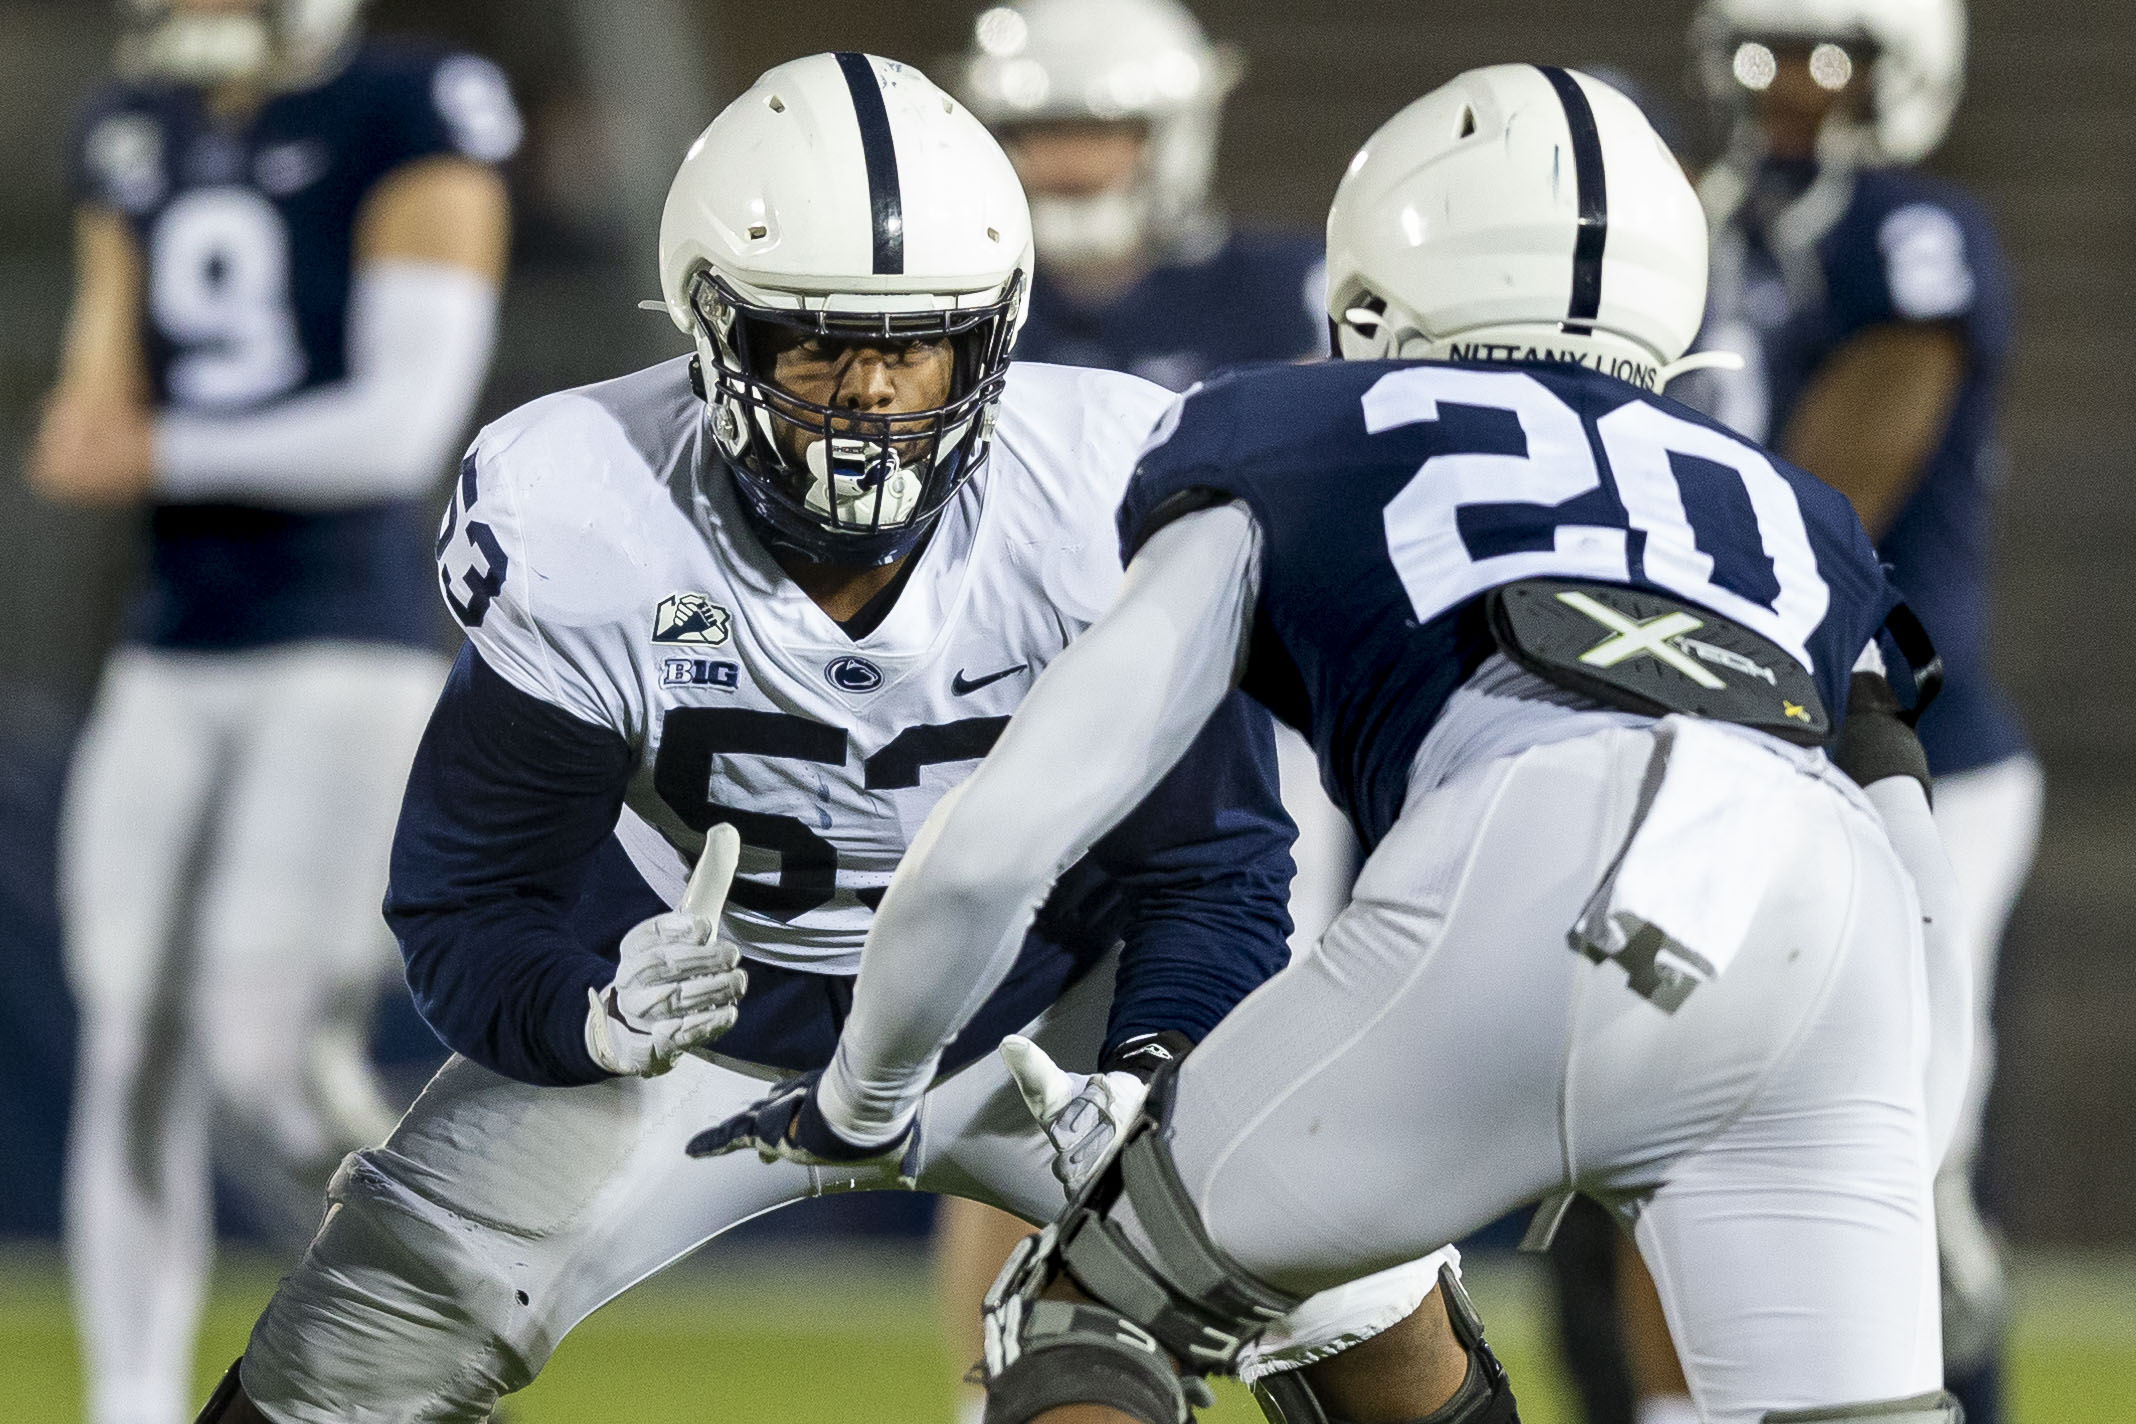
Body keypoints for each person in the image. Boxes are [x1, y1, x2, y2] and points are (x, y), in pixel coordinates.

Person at [189, 53, 1466, 1424]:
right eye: (816, 339)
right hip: (697, 1025)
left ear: (991, 337)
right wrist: (583, 1014)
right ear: (712, 330)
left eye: (913, 343)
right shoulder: (585, 506)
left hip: (1045, 1009)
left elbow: (1209, 870)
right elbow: (468, 900)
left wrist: (1159, 1067)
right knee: (345, 1360)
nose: (868, 392)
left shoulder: (1108, 491)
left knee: (1379, 1311)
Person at [699, 63, 1973, 1424]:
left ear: (1373, 295)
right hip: (1835, 927)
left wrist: (869, 1085)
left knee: (1092, 1307)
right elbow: (1911, 866)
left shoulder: (1298, 426)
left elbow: (1001, 841)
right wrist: (1891, 1126)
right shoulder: (1793, 509)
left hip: (1543, 838)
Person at [28, 2, 516, 1420]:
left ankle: (454, 1289)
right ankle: (128, 1400)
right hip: (172, 641)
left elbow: (402, 423)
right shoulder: (136, 126)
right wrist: (94, 415)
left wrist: (159, 444)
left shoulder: (416, 105)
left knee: (259, 1058)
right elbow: (99, 388)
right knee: (130, 1035)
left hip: (345, 641)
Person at [933, 6, 1353, 1413]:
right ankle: (997, 1397)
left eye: (1095, 124)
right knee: (1015, 1108)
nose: (1063, 157)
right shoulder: (938, 297)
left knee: (1305, 1099)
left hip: (1251, 757)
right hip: (1016, 752)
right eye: (1038, 126)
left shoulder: (1292, 295)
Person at [1663, 5, 2029, 1421]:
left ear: (1904, 68)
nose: (1791, 88)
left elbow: (1828, 499)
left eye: (1828, 56)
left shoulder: (1909, 231)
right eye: (1762, 55)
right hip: (1744, 736)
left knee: (1915, 1119)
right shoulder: (1698, 225)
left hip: (1915, 746)